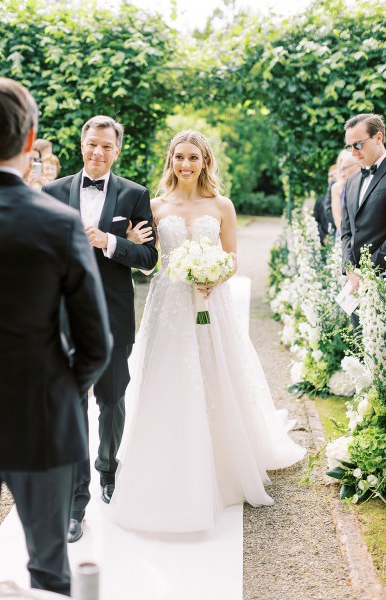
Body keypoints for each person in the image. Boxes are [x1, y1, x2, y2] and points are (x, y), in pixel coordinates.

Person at [108, 130, 305, 533]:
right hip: (168, 306)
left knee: (215, 374)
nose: (185, 164)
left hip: (209, 304)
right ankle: (171, 461)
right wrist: (129, 240)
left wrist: (214, 276)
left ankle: (221, 461)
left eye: (193, 158)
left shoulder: (222, 205)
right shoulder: (155, 205)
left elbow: (232, 259)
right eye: (179, 157)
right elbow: (147, 262)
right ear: (171, 160)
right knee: (169, 380)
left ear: (205, 162)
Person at [0, 77, 112, 595]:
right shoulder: (58, 223)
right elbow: (96, 344)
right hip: (41, 417)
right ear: (30, 137)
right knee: (48, 570)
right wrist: (61, 388)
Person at [42, 115, 158, 542]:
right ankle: (76, 505)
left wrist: (110, 242)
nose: (98, 152)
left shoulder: (134, 195)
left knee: (111, 399)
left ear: (117, 150)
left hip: (113, 316)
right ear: (81, 143)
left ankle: (108, 471)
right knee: (72, 407)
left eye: (107, 146)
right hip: (63, 320)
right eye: (92, 144)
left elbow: (148, 258)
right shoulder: (51, 192)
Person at [341, 113, 386, 295]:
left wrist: (369, 269)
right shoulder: (351, 182)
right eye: (349, 146)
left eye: (358, 145)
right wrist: (350, 269)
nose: (353, 152)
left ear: (378, 137)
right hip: (355, 288)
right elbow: (346, 233)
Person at [331, 152, 360, 236]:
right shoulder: (336, 188)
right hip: (344, 235)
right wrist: (347, 237)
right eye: (341, 169)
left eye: (345, 168)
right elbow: (337, 217)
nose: (342, 173)